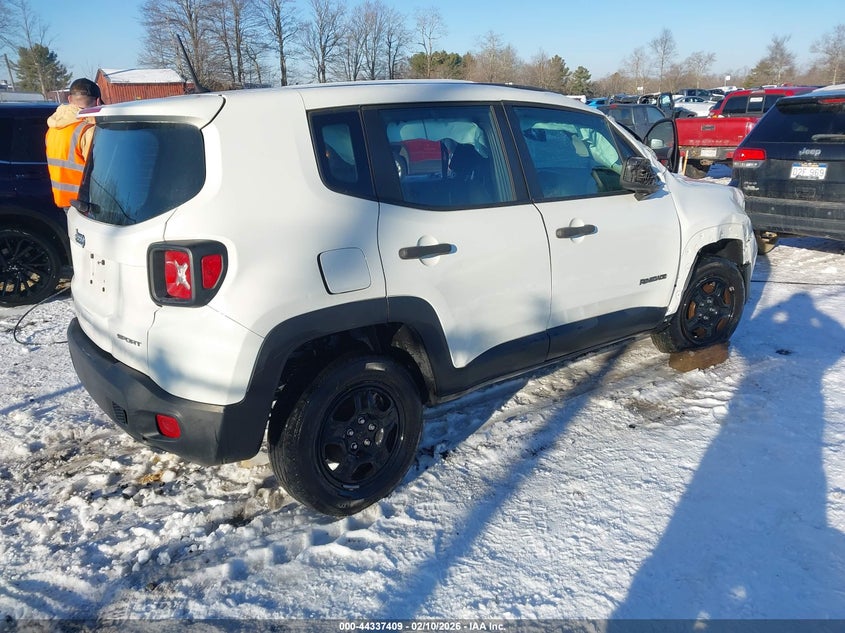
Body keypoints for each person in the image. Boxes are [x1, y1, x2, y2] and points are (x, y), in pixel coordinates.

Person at [45, 77, 101, 210]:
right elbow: (99, 169)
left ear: (70, 99)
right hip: (86, 203)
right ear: (98, 101)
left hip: (64, 200)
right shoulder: (87, 130)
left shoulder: (52, 128)